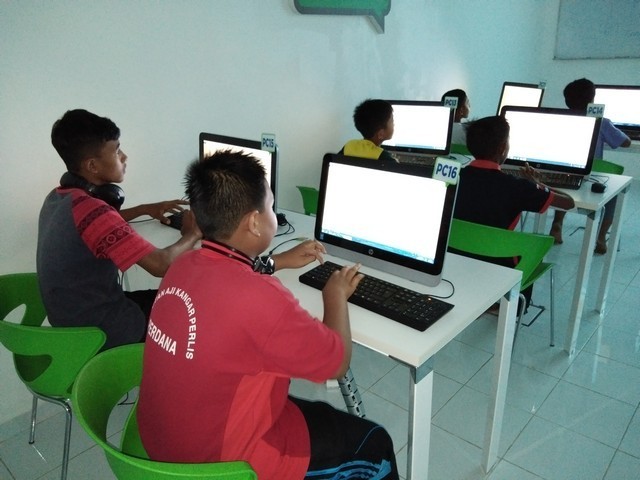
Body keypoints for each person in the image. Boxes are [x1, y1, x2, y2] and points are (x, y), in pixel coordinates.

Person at [137, 151, 399, 480]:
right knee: (374, 442)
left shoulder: (182, 265)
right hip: (222, 464)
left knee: (318, 413)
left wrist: (279, 262)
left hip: (161, 442)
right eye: (272, 206)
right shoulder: (262, 299)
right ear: (254, 222)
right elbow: (337, 363)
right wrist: (334, 294)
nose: (274, 214)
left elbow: (228, 280)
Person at [37, 109, 203, 351]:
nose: (124, 157)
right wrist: (193, 233)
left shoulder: (59, 198)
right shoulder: (95, 212)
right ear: (92, 165)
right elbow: (162, 265)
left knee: (168, 296)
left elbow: (91, 228)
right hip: (102, 331)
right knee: (192, 304)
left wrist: (144, 209)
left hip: (72, 324)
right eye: (116, 151)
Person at [452, 116, 575, 306]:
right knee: (530, 257)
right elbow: (568, 203)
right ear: (503, 148)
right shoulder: (518, 187)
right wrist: (537, 183)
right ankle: (508, 309)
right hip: (502, 270)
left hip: (455, 261)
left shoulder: (453, 178)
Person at [548, 78, 631, 253]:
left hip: (564, 171)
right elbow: (625, 143)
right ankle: (601, 237)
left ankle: (557, 223)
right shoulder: (601, 122)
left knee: (562, 188)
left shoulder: (560, 119)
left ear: (567, 101)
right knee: (614, 195)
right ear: (592, 100)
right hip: (592, 176)